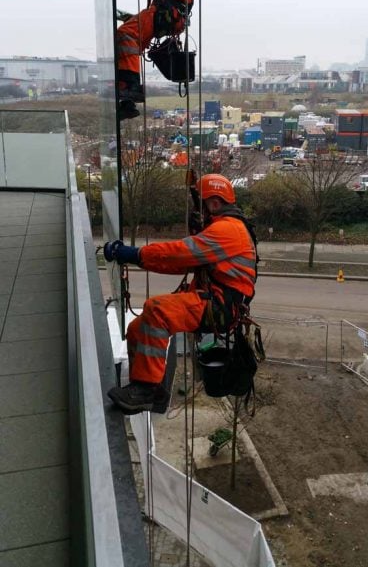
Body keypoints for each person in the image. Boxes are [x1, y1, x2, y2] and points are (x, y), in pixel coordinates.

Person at [104, 174, 258, 414]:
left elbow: (180, 254)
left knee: (158, 310)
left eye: (201, 205)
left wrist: (135, 254)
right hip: (213, 300)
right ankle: (149, 389)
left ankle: (145, 390)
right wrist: (138, 258)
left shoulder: (228, 230)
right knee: (138, 328)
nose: (199, 212)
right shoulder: (224, 229)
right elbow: (179, 263)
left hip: (220, 306)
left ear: (214, 204)